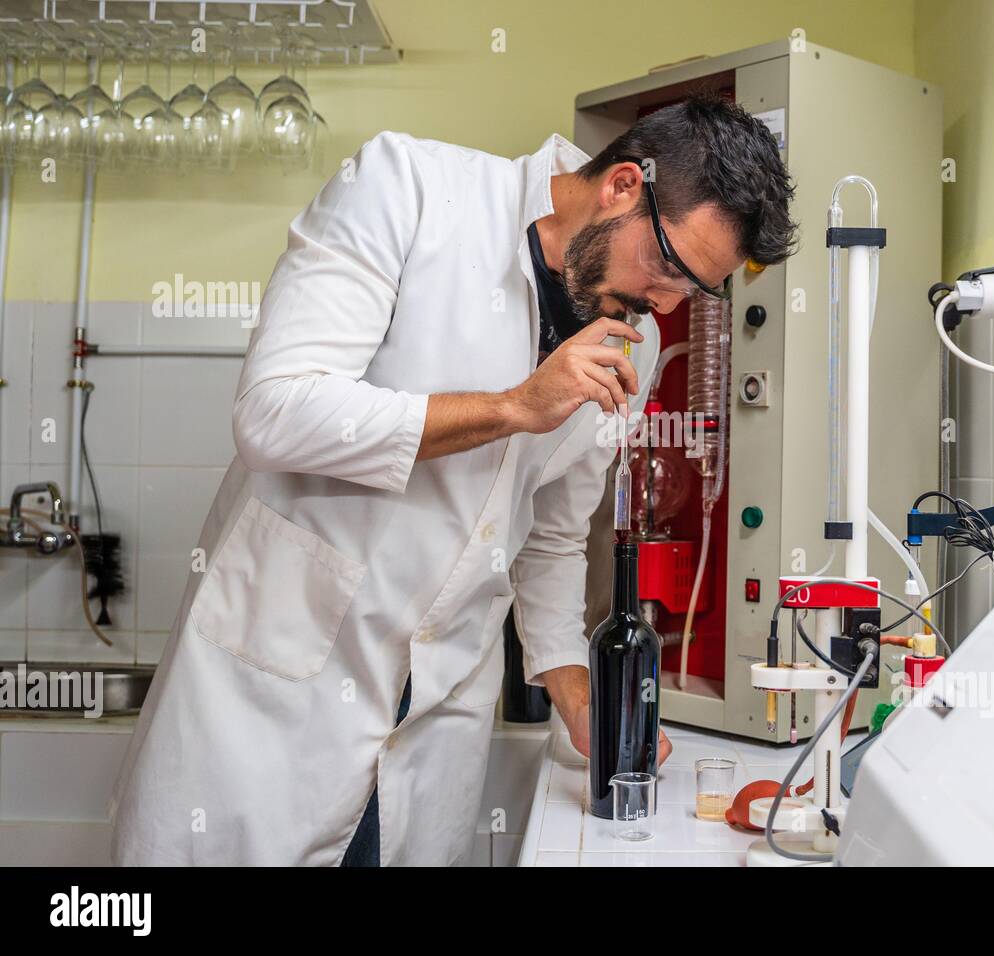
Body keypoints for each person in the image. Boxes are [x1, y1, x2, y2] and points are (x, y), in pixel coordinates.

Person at [110, 95, 797, 865]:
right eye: (669, 267)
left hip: (436, 715)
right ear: (622, 186)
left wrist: (571, 687)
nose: (665, 306)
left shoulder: (626, 344)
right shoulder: (408, 189)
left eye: (694, 292)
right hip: (279, 698)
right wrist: (513, 407)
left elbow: (554, 536)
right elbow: (275, 411)